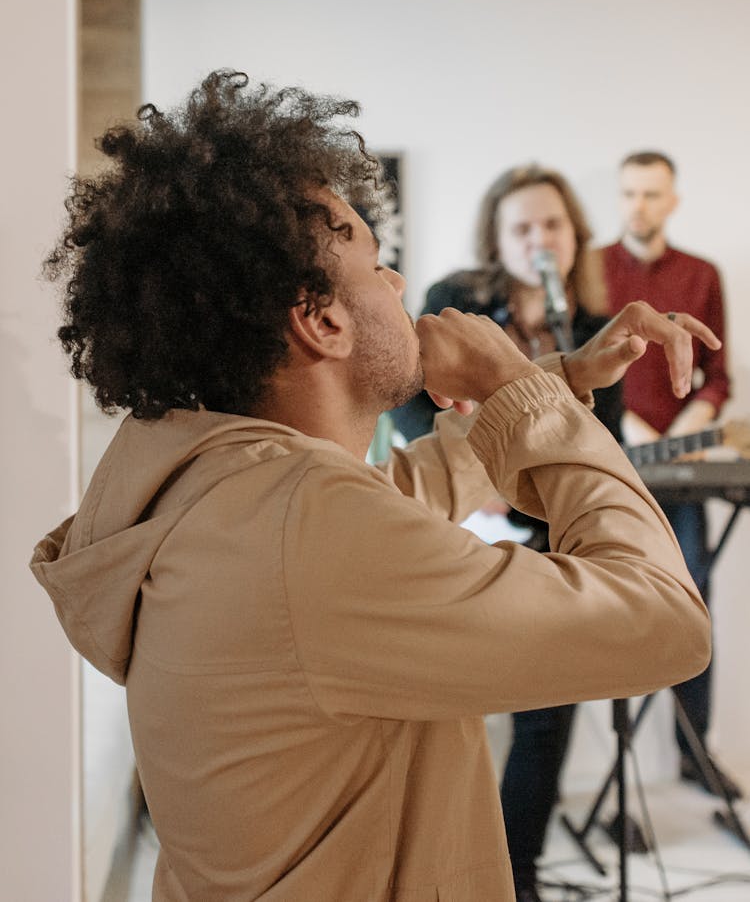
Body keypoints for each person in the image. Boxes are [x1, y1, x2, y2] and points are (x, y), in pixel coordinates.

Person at [31, 72, 713, 902]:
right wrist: (521, 395)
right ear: (320, 320)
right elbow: (665, 621)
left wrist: (557, 375)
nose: (397, 286)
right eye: (376, 261)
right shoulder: (308, 526)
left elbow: (402, 487)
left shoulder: (226, 489)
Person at [392, 165, 622, 901]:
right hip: (461, 528)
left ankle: (515, 877)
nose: (538, 239)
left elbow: (599, 441)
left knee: (547, 718)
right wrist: (475, 485)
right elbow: (405, 407)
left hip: (549, 539)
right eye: (522, 226)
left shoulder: (587, 325)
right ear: (496, 235)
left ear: (574, 234)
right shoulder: (454, 305)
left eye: (551, 225)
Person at [600, 149, 740, 800]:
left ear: (672, 200)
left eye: (652, 193)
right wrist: (628, 425)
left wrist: (682, 434)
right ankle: (618, 777)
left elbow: (718, 376)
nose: (640, 204)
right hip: (614, 466)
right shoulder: (592, 271)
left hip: (681, 469)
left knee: (694, 598)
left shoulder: (702, 274)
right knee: (617, 606)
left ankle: (694, 753)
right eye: (630, 192)